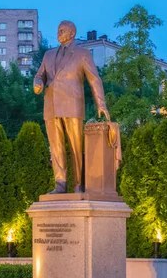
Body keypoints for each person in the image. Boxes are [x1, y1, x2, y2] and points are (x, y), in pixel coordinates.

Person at [34, 20, 110, 194]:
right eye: (58, 31)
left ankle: (78, 185)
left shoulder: (82, 54)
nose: (58, 34)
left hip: (72, 105)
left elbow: (94, 79)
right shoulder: (48, 55)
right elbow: (40, 75)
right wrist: (38, 82)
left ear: (72, 33)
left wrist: (101, 103)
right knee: (56, 146)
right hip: (51, 106)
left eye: (62, 31)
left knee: (76, 147)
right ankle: (60, 184)